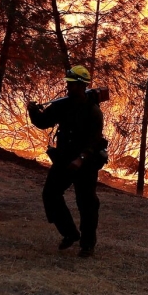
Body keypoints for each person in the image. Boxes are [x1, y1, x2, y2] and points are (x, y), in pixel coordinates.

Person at [27, 66, 105, 258]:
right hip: (64, 159)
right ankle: (70, 233)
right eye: (68, 83)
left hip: (86, 164)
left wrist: (81, 159)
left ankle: (87, 245)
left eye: (72, 84)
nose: (68, 87)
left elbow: (94, 141)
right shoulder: (63, 105)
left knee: (86, 203)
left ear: (82, 85)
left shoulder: (93, 111)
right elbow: (44, 122)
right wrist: (33, 112)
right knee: (50, 194)